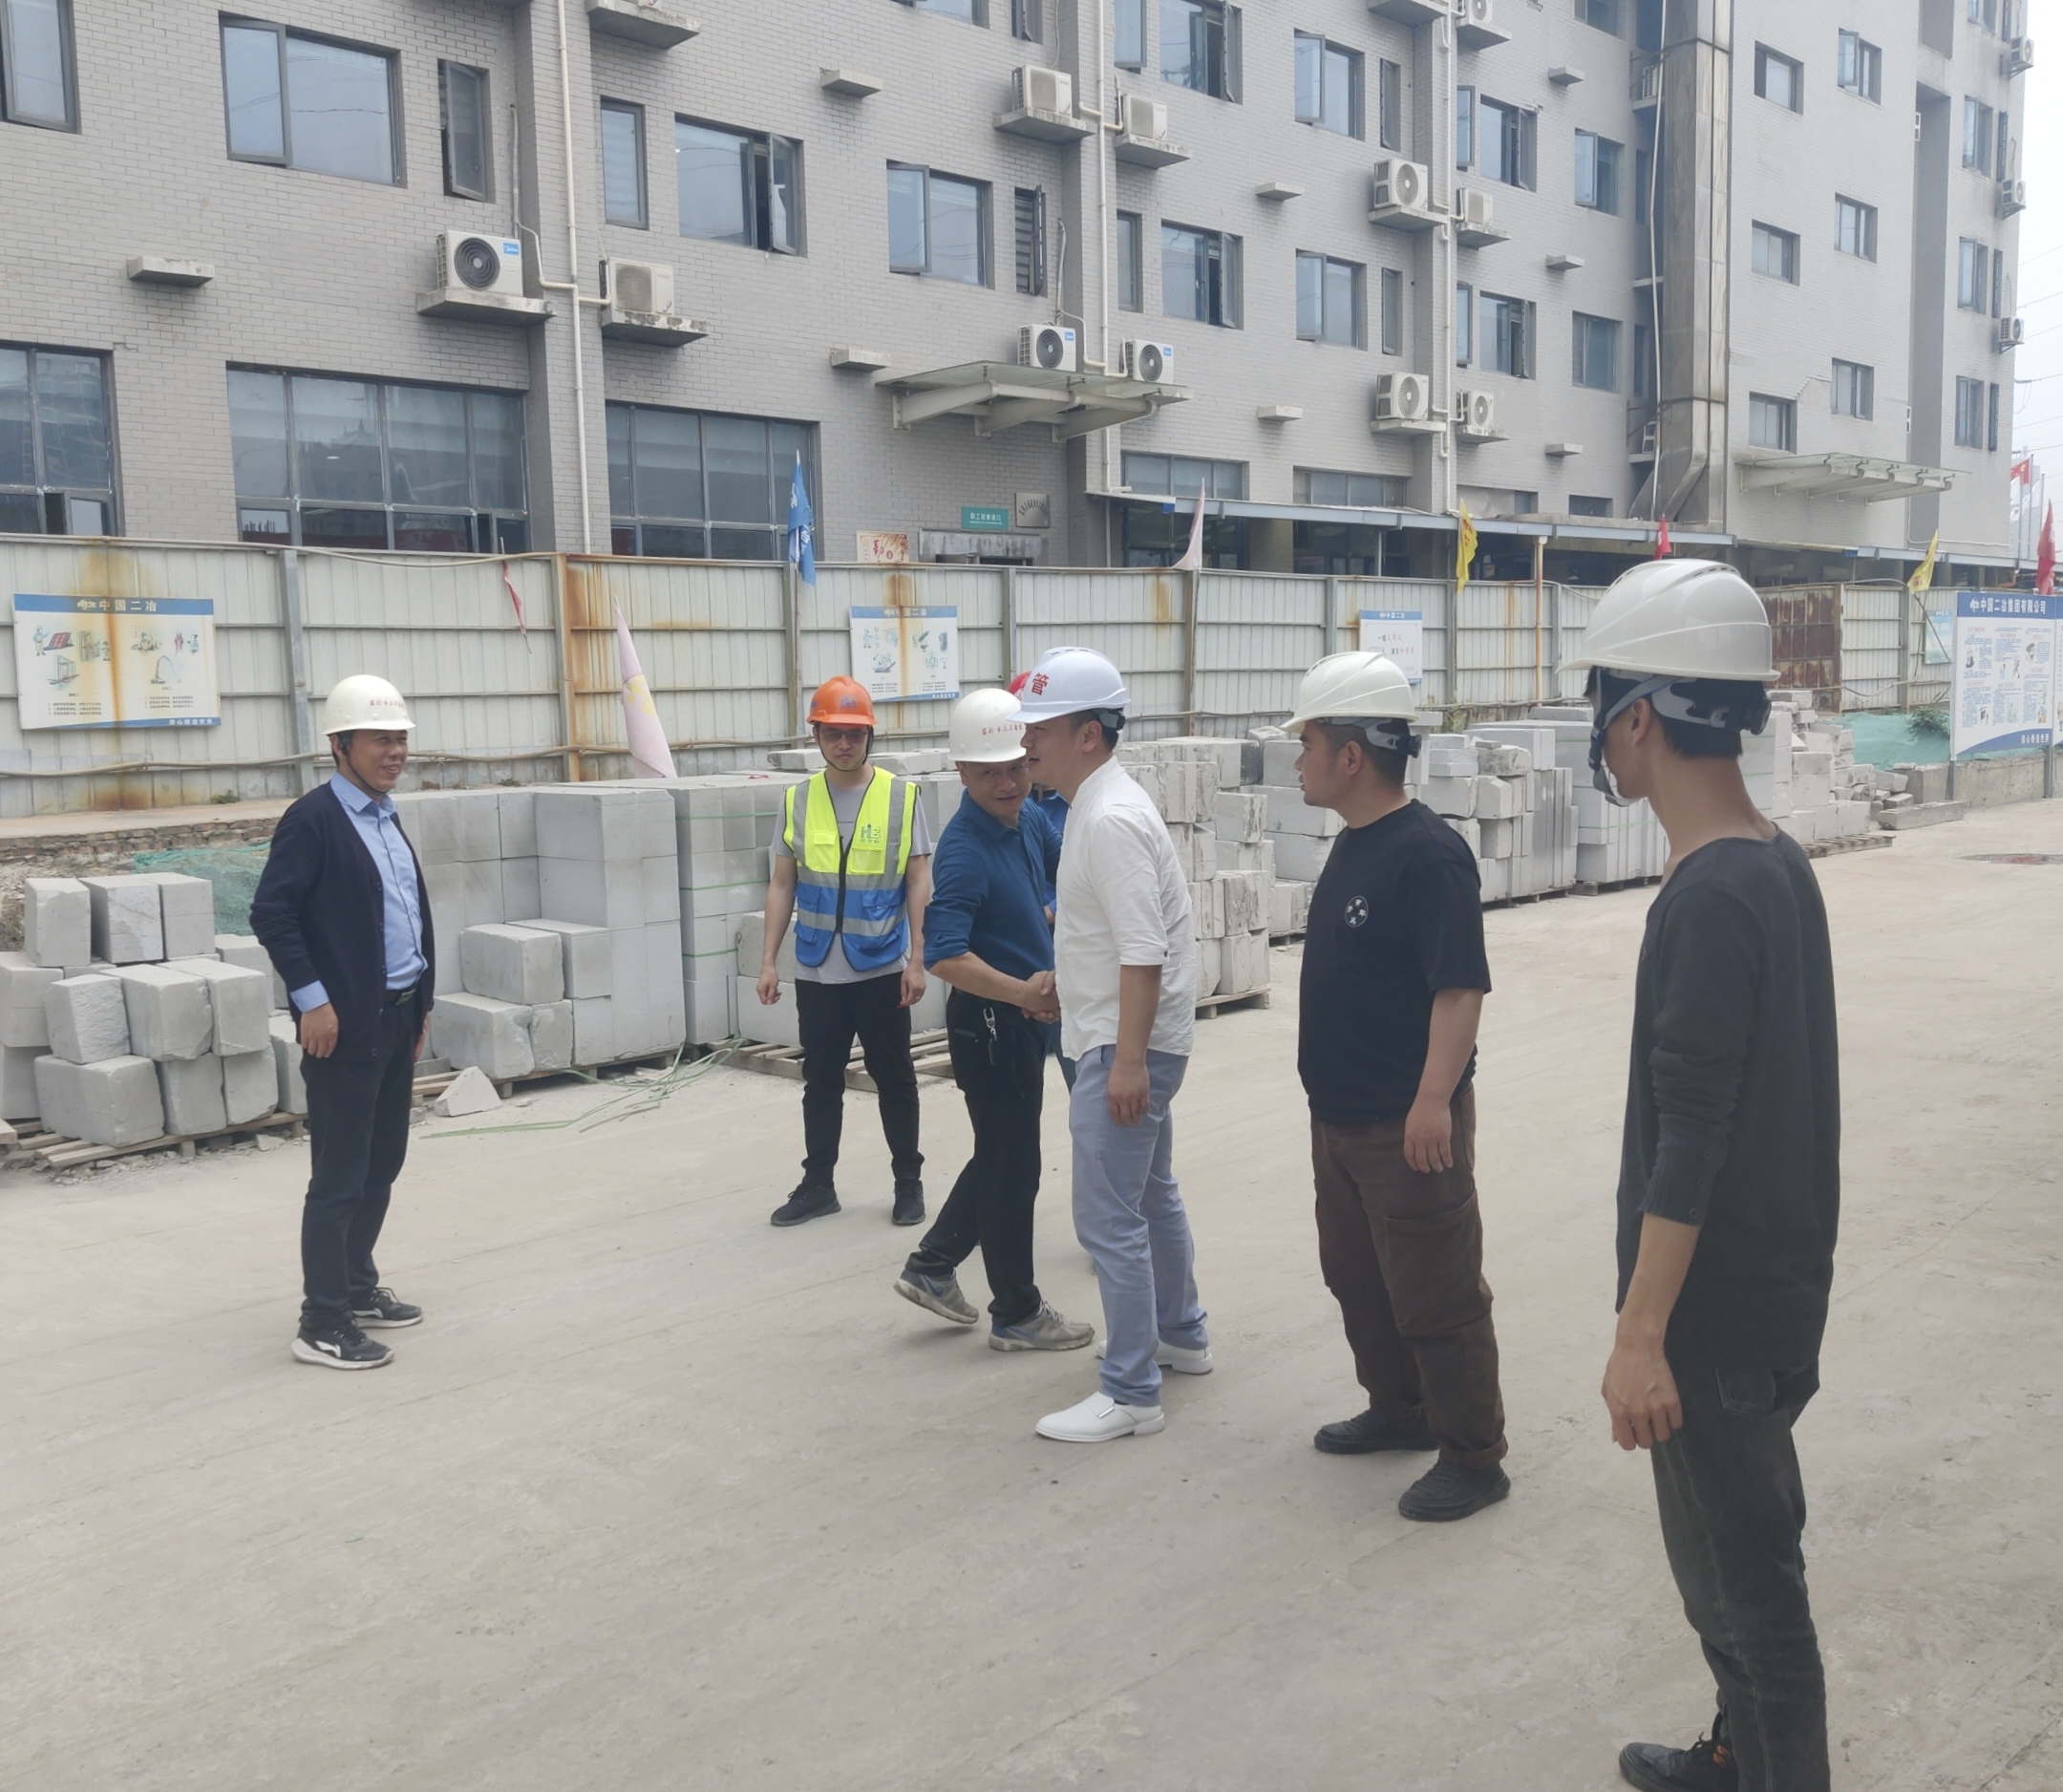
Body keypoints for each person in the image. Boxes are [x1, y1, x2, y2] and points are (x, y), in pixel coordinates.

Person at [1567, 561, 1840, 1792]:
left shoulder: (1713, 893)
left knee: (1751, 1602)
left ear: (1640, 717)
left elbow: (1692, 1134)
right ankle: (1738, 1756)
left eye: (1602, 703)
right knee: (1731, 1570)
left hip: (1711, 1322)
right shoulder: (1774, 862)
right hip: (1768, 1298)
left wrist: (1641, 1335)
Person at [1288, 651, 1511, 1522]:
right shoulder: (1354, 844)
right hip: (1340, 1119)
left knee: (1437, 1294)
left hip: (1404, 1123)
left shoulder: (1429, 857)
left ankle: (1474, 1456)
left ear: (1351, 756)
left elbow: (1460, 989)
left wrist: (1431, 1103)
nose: (1298, 760)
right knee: (1359, 1279)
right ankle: (1400, 1409)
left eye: (1308, 743)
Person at [1015, 647, 1210, 1443]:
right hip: (1129, 1033)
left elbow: (1143, 951)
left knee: (1107, 1218)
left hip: (1126, 1046)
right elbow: (1112, 937)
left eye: (1040, 728)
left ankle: (1131, 1391)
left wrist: (1127, 1062)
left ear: (1088, 734)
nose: (1026, 742)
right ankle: (1180, 1334)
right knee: (1150, 1193)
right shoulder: (1097, 808)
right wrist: (1068, 975)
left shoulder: (1108, 820)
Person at [893, 687, 1092, 1353]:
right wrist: (1022, 992)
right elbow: (944, 953)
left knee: (1003, 1156)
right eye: (989, 774)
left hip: (1018, 1019)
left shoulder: (1027, 817)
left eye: (1016, 768)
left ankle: (932, 1265)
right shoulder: (963, 850)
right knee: (1014, 1169)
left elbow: (1068, 874)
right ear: (961, 772)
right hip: (991, 1025)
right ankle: (1017, 1312)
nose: (1007, 784)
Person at [250, 675, 433, 1371]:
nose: (395, 752)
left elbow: (407, 917)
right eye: (380, 740)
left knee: (382, 1164)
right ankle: (322, 1322)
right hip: (345, 1026)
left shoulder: (384, 816)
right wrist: (313, 1001)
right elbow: (273, 913)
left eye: (400, 739)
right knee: (339, 1177)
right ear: (340, 745)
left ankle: (355, 1285)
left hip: (396, 1017)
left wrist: (421, 1003)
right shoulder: (315, 819)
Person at [757, 675, 932, 1227]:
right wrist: (769, 961)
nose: (844, 744)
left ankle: (908, 1183)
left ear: (869, 736)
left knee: (895, 1080)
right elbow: (782, 883)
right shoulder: (797, 799)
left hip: (881, 967)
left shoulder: (901, 797)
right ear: (816, 734)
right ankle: (818, 1186)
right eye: (833, 733)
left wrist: (918, 959)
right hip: (817, 969)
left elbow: (919, 881)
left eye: (855, 734)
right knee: (821, 1082)